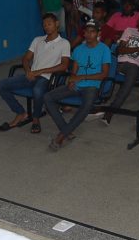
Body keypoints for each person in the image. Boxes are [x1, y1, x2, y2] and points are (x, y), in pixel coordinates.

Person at [0, 13, 70, 134]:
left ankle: (36, 118)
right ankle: (20, 113)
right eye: (44, 25)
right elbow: (26, 58)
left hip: (48, 78)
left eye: (49, 24)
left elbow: (64, 65)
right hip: (32, 75)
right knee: (1, 85)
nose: (46, 27)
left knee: (37, 90)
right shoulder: (38, 40)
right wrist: (28, 71)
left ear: (57, 24)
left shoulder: (64, 43)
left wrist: (40, 71)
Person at [44, 20, 111, 151]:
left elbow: (104, 74)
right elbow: (74, 71)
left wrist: (82, 77)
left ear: (98, 33)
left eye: (92, 32)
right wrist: (72, 80)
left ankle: (61, 136)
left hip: (92, 86)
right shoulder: (79, 49)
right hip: (77, 84)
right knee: (47, 97)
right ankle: (66, 130)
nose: (89, 34)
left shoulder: (104, 49)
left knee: (85, 107)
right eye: (86, 32)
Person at [100, 12, 139, 125]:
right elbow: (120, 50)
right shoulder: (129, 30)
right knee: (104, 64)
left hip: (134, 65)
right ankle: (96, 99)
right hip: (119, 62)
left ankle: (111, 110)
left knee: (130, 78)